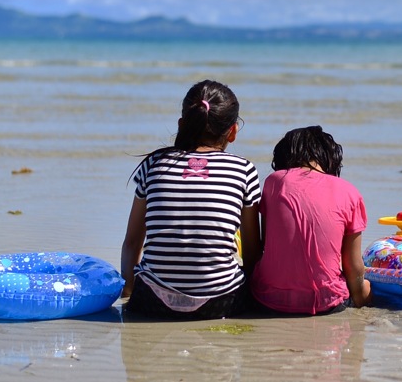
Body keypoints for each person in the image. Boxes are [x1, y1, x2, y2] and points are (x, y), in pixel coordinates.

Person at [121, 79, 262, 320]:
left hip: (152, 300)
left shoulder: (154, 164)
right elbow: (251, 251)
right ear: (233, 131)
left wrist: (128, 292)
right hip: (221, 301)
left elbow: (132, 242)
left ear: (181, 124)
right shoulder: (243, 170)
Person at [251, 126, 371, 314]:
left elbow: (267, 243)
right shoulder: (348, 191)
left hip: (269, 299)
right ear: (330, 158)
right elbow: (353, 266)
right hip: (328, 303)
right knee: (369, 286)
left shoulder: (274, 182)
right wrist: (362, 299)